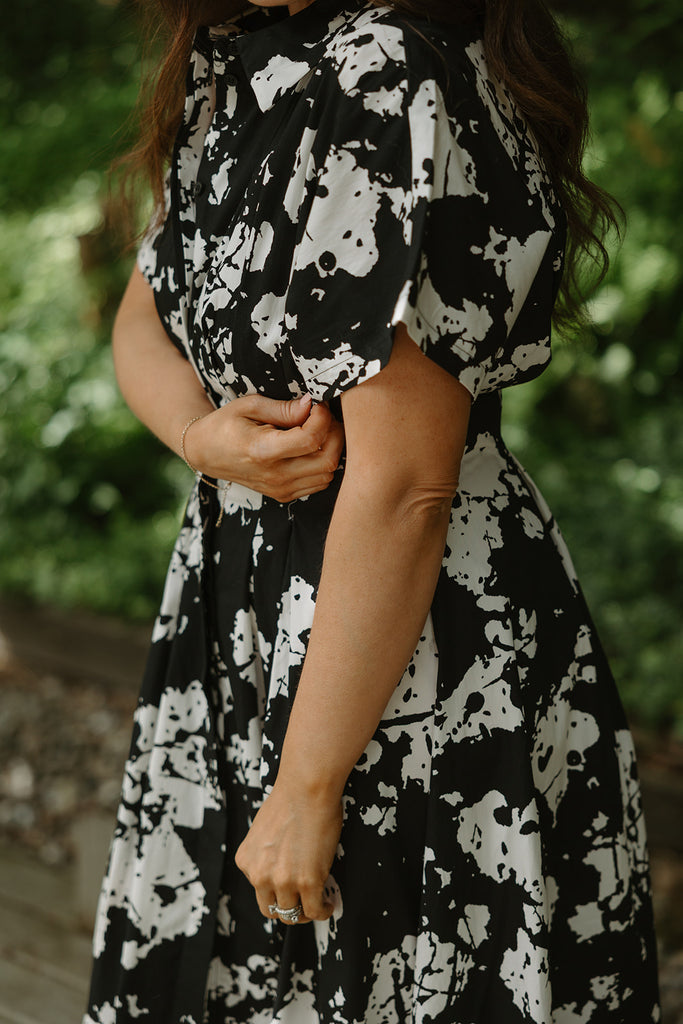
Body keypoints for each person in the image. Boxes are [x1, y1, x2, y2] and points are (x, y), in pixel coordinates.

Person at [83, 0, 661, 1020]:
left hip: (400, 644)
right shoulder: (233, 66)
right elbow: (143, 322)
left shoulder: (385, 71)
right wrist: (199, 436)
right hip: (247, 610)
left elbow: (401, 485)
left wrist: (308, 786)